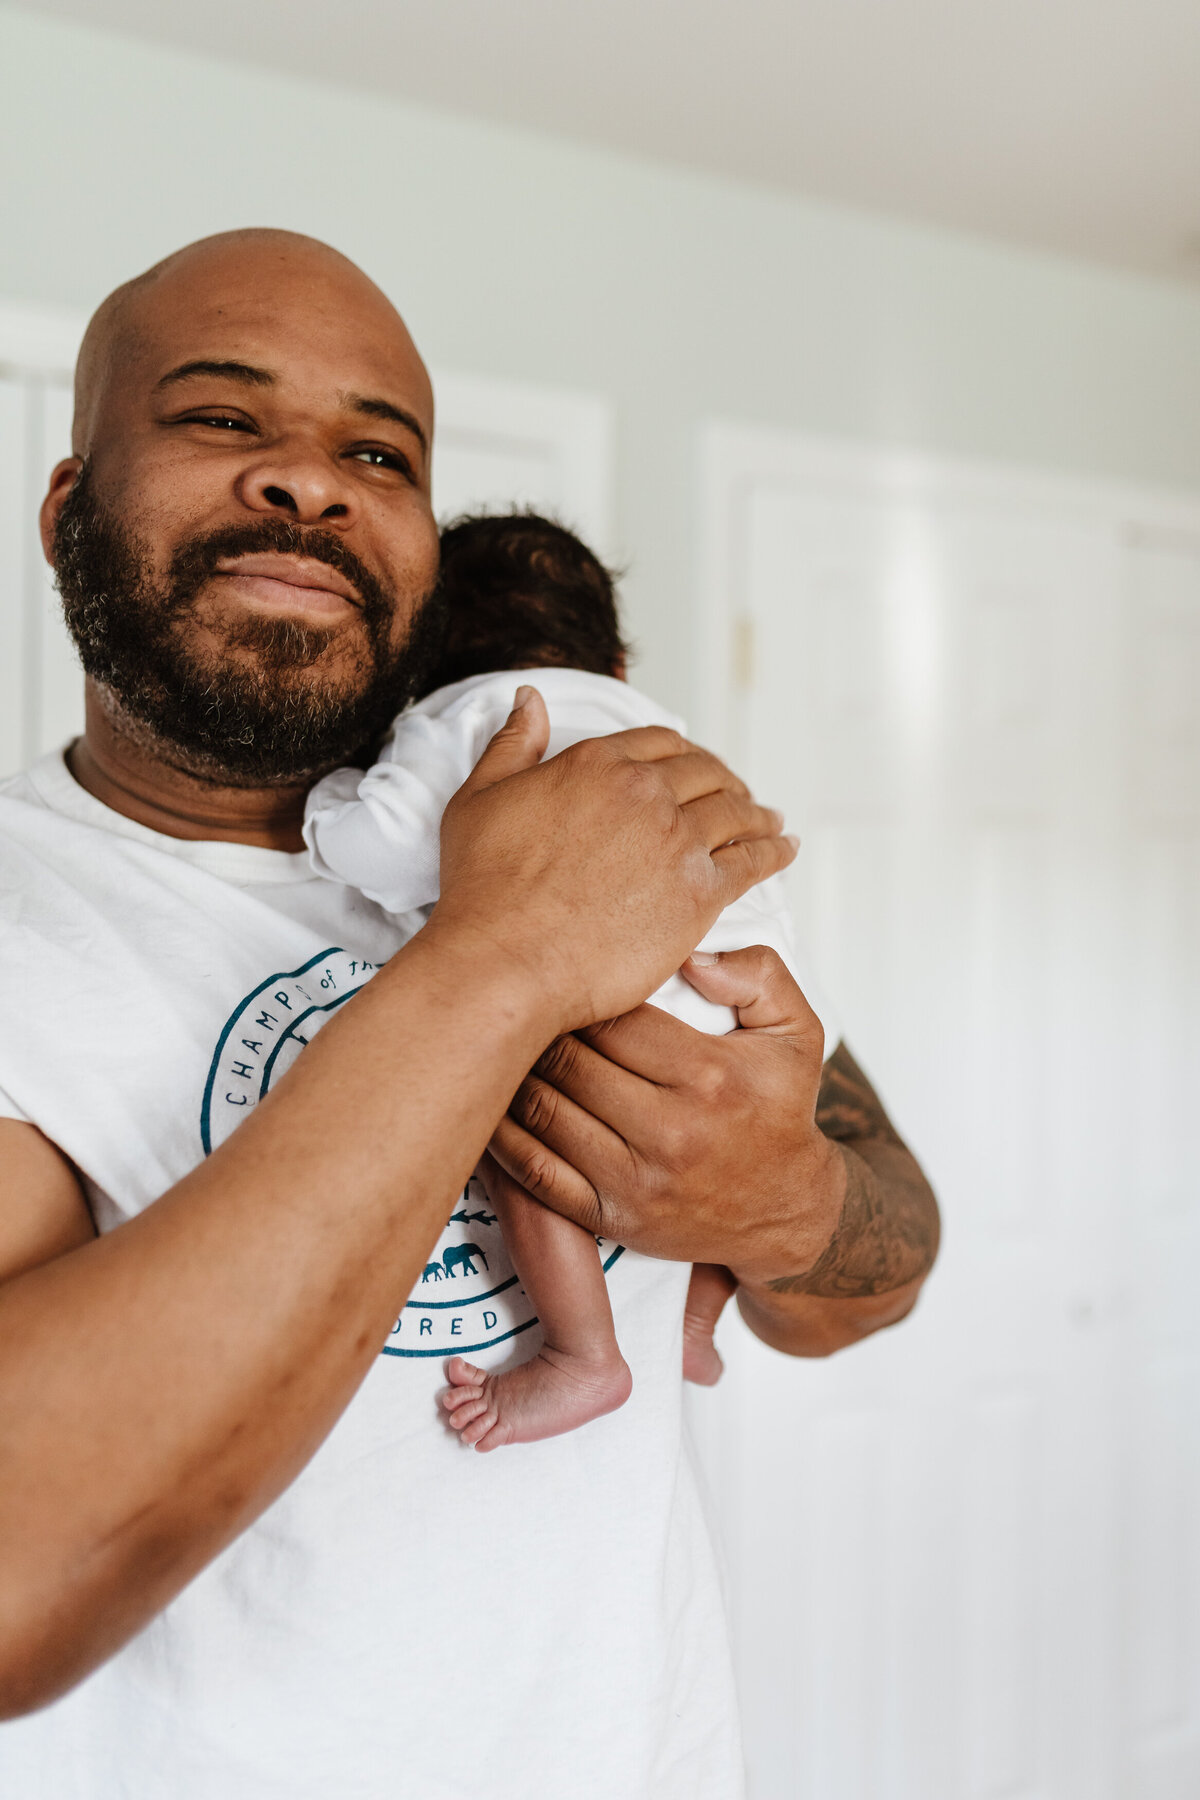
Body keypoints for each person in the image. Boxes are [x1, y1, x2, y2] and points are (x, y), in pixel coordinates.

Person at [0, 229, 939, 1800]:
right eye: (223, 419)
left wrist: (793, 1200)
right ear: (66, 506)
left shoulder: (594, 823)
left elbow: (877, 1270)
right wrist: (499, 962)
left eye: (379, 449)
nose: (311, 480)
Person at [304, 508, 811, 1448]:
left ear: (419, 662)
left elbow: (382, 851)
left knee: (524, 1137)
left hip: (615, 990)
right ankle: (694, 1322)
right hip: (743, 989)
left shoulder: (458, 718)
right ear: (615, 663)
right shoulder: (659, 725)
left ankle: (586, 1353)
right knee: (741, 1152)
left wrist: (333, 796)